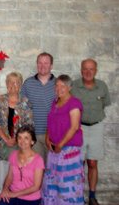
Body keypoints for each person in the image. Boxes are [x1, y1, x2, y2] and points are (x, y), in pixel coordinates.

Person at [70, 59, 111, 205]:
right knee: (78, 163)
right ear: (81, 70)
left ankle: (92, 196)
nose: (88, 72)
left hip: (96, 127)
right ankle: (77, 194)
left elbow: (104, 105)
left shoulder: (102, 86)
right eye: (85, 69)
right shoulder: (73, 86)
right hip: (78, 128)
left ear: (96, 71)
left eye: (91, 69)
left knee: (92, 162)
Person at [0, 72, 34, 196]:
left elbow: (28, 124)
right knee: (2, 178)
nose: (13, 85)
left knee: (18, 177)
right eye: (10, 82)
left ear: (20, 85)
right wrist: (5, 138)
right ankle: (0, 200)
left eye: (16, 82)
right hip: (2, 145)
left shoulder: (25, 102)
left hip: (20, 146)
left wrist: (16, 140)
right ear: (6, 84)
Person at [42, 75, 84, 205]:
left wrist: (60, 144)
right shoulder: (55, 102)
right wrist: (47, 139)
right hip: (54, 151)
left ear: (70, 87)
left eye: (63, 86)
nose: (59, 88)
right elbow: (51, 123)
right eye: (57, 85)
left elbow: (74, 127)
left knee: (67, 185)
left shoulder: (74, 103)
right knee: (53, 183)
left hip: (68, 151)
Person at [20, 52, 57, 165]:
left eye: (46, 63)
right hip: (34, 134)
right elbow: (22, 107)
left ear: (51, 65)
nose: (42, 66)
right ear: (37, 64)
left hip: (53, 133)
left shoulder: (58, 84)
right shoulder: (28, 83)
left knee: (52, 168)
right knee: (37, 168)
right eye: (40, 63)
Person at [0, 125, 44, 205]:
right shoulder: (13, 154)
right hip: (13, 194)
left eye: (26, 138)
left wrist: (14, 194)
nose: (22, 141)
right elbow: (9, 177)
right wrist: (4, 191)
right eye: (20, 137)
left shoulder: (38, 160)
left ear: (32, 141)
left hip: (30, 198)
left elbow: (36, 187)